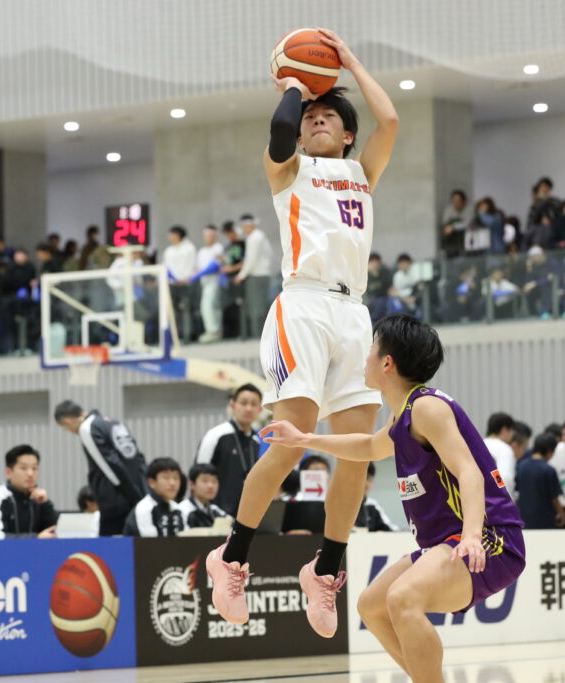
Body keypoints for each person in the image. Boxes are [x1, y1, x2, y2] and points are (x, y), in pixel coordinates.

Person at [207, 28, 399, 638]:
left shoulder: (362, 172)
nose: (316, 119)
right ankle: (231, 556)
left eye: (329, 116)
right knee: (290, 444)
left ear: (347, 135)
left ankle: (325, 569)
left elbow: (390, 120)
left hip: (354, 314)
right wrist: (295, 83)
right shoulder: (288, 168)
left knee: (355, 455)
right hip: (303, 304)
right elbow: (279, 130)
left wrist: (350, 62)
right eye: (309, 116)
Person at [261, 314, 524, 679]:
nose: (365, 356)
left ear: (387, 363)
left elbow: (469, 471)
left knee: (403, 599)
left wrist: (472, 536)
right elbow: (369, 446)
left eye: (371, 348)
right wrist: (304, 439)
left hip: (490, 540)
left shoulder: (427, 408)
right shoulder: (403, 415)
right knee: (372, 606)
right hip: (445, 543)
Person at [54, 400, 147, 535]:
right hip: (137, 489)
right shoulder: (113, 423)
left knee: (109, 544)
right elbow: (137, 457)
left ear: (68, 421)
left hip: (117, 499)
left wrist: (133, 496)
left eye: (65, 428)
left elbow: (108, 466)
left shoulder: (87, 428)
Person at [195, 384, 263, 515]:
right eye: (243, 403)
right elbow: (198, 474)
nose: (248, 408)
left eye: (253, 404)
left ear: (260, 409)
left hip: (245, 513)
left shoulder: (256, 441)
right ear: (232, 405)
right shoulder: (216, 435)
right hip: (216, 513)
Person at [0, 445, 58, 539]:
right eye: (24, 468)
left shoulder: (40, 498)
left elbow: (56, 532)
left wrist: (46, 504)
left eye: (34, 468)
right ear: (8, 472)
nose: (30, 474)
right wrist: (35, 538)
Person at [233, 214, 274, 338]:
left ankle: (259, 335)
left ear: (249, 225)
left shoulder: (254, 238)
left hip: (257, 276)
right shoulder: (260, 236)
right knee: (261, 306)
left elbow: (250, 260)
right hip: (263, 275)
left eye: (243, 226)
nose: (243, 229)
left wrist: (241, 275)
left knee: (257, 308)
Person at [123, 457, 185, 537]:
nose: (172, 483)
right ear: (152, 482)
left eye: (176, 478)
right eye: (166, 477)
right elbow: (151, 542)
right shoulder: (144, 508)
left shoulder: (177, 508)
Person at [515, 433, 565, 529]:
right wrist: (562, 513)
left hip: (524, 517)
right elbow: (554, 497)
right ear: (550, 451)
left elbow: (517, 491)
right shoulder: (549, 470)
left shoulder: (521, 466)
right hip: (544, 518)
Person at [163, 226, 198, 342]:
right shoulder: (168, 251)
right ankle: (175, 337)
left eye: (171, 235)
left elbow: (193, 266)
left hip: (186, 283)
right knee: (173, 312)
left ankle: (187, 335)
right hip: (172, 284)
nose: (169, 237)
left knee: (186, 309)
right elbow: (166, 267)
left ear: (177, 235)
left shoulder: (189, 248)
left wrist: (186, 279)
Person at [196, 225, 226, 342]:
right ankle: (216, 331)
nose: (209, 238)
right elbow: (198, 268)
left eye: (211, 235)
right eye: (207, 235)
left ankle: (213, 331)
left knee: (208, 306)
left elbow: (214, 266)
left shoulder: (218, 248)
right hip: (204, 283)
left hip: (215, 281)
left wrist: (199, 274)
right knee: (212, 306)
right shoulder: (201, 251)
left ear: (215, 236)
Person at [179, 463, 230, 528]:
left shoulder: (215, 510)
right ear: (192, 484)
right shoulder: (183, 510)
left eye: (214, 481)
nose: (210, 486)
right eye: (205, 481)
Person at [355, 462, 398, 532]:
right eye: (362, 477)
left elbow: (392, 529)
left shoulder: (372, 505)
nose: (366, 482)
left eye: (369, 478)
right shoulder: (341, 504)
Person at [482, 412, 516, 496]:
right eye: (511, 431)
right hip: (496, 498)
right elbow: (504, 477)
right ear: (504, 430)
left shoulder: (480, 444)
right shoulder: (504, 449)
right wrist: (505, 497)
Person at [441, 190, 473, 258]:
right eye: (454, 201)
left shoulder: (470, 209)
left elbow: (468, 223)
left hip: (466, 242)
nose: (456, 203)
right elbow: (445, 223)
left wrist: (453, 227)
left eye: (458, 201)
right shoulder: (448, 209)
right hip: (451, 242)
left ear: (464, 201)